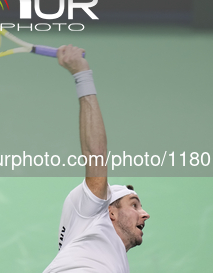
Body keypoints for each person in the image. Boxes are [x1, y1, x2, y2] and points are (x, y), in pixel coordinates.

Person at [43, 45, 150, 273]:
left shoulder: (109, 259)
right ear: (111, 212)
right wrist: (82, 74)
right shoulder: (89, 210)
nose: (145, 214)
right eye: (134, 205)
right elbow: (96, 155)